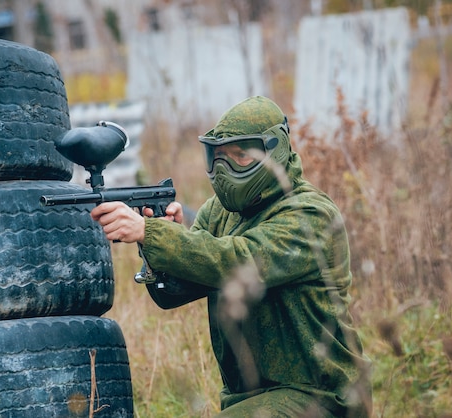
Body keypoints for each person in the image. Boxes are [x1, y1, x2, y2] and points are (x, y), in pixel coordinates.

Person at [90, 96, 372, 417]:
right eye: (218, 156)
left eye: (240, 156)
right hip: (250, 399)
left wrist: (151, 233)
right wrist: (159, 241)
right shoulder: (220, 211)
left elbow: (239, 261)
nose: (223, 169)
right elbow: (176, 292)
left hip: (322, 395)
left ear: (274, 150)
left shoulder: (310, 214)